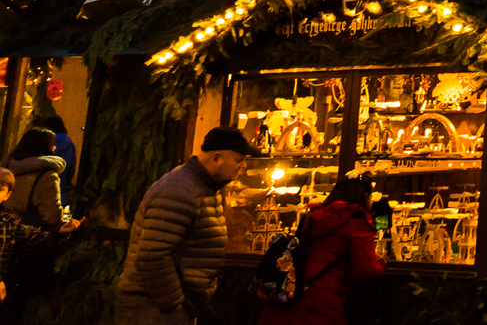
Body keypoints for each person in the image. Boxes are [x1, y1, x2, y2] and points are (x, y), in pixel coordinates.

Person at [116, 127, 253, 325]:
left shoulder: (203, 187)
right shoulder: (180, 189)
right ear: (216, 158)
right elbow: (152, 255)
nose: (243, 166)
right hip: (152, 309)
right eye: (238, 160)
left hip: (164, 307)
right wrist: (175, 305)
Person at [258, 175, 384, 325]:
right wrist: (381, 262)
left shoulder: (315, 215)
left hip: (291, 291)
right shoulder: (357, 223)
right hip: (323, 299)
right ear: (364, 197)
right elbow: (366, 270)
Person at [0, 167, 81, 323]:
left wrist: (59, 232)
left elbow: (34, 238)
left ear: (7, 195)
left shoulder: (9, 221)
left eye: (0, 189)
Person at [2, 131, 65, 229]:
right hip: (25, 234)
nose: (55, 147)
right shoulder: (47, 176)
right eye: (52, 144)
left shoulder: (6, 166)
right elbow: (52, 217)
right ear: (43, 147)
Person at [29, 119, 74, 209]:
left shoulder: (40, 140)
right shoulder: (69, 145)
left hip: (35, 190)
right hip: (60, 190)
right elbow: (71, 170)